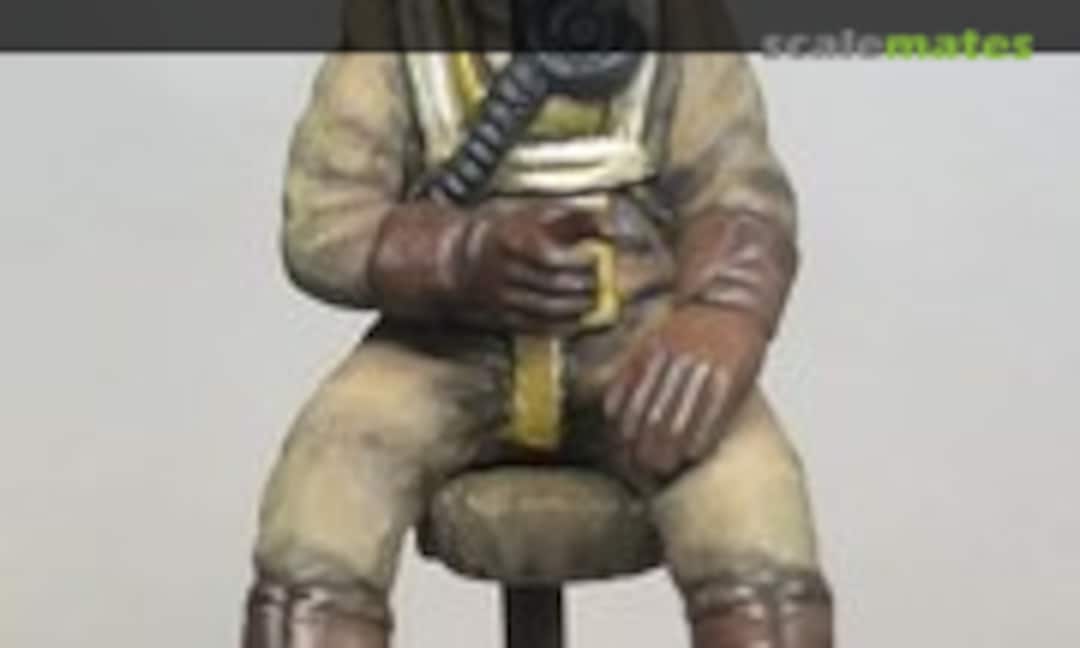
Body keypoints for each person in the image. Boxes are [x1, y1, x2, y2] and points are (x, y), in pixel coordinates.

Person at [241, 2, 833, 646]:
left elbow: (739, 193)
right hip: (444, 348)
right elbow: (326, 225)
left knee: (754, 511)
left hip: (636, 346)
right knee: (324, 494)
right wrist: (456, 256)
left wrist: (724, 310)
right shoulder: (396, 35)